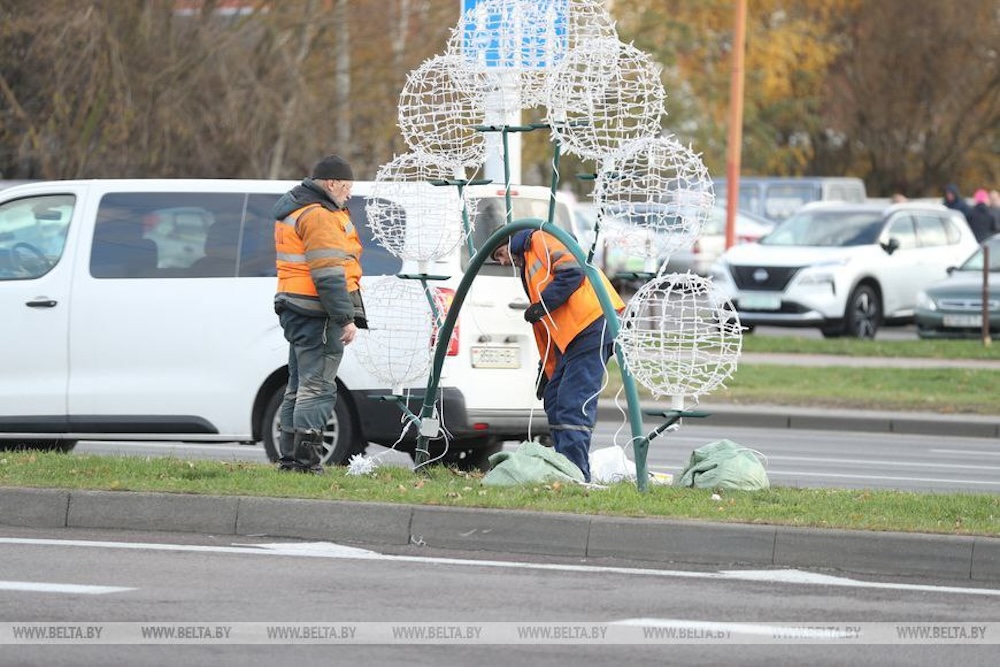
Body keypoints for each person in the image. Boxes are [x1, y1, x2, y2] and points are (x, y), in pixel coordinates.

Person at [491, 229, 625, 482]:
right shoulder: (530, 260)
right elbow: (552, 328)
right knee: (554, 399)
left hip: (592, 325)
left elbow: (573, 272)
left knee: (572, 405)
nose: (502, 261)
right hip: (575, 334)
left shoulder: (541, 239)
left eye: (500, 254)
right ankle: (565, 468)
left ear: (510, 243)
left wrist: (542, 305)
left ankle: (575, 475)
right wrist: (547, 370)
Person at [271, 154, 367, 474]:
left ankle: (289, 460)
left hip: (293, 304)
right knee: (318, 387)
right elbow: (328, 274)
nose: (349, 193)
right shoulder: (320, 215)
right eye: (346, 186)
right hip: (316, 311)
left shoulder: (295, 209)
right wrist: (345, 318)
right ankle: (307, 463)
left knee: (297, 387)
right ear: (330, 183)